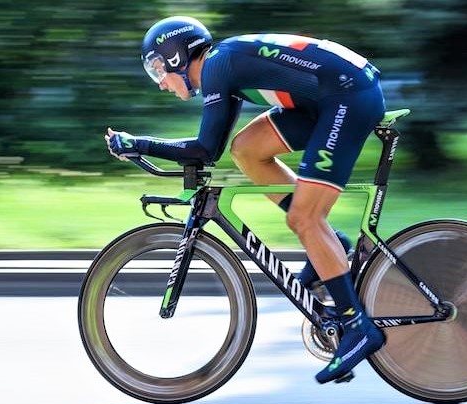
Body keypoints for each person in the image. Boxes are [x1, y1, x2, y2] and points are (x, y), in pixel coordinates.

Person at [105, 16, 386, 384]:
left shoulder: (220, 65)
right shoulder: (223, 68)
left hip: (347, 97)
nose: (160, 83)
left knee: (303, 218)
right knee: (247, 149)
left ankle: (356, 327)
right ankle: (330, 240)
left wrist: (138, 143)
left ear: (175, 57)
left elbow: (203, 149)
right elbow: (215, 148)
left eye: (158, 68)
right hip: (331, 96)